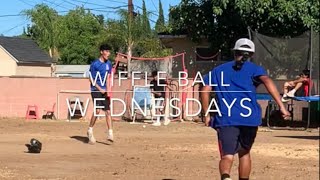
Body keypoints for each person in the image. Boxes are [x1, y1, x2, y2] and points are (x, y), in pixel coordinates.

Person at [201, 38, 291, 180]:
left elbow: (205, 89)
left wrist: (206, 114)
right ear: (252, 54)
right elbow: (267, 81)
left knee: (227, 155)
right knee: (244, 153)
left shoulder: (218, 70)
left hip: (226, 118)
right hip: (249, 118)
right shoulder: (255, 69)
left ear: (234, 52)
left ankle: (226, 177)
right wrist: (281, 106)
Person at [87, 44, 114, 144]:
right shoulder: (95, 64)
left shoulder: (109, 64)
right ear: (101, 52)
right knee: (97, 110)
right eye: (106, 51)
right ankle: (90, 130)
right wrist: (99, 88)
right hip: (95, 89)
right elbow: (91, 78)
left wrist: (107, 89)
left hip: (104, 90)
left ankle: (110, 133)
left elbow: (108, 77)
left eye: (109, 52)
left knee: (108, 111)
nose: (108, 53)